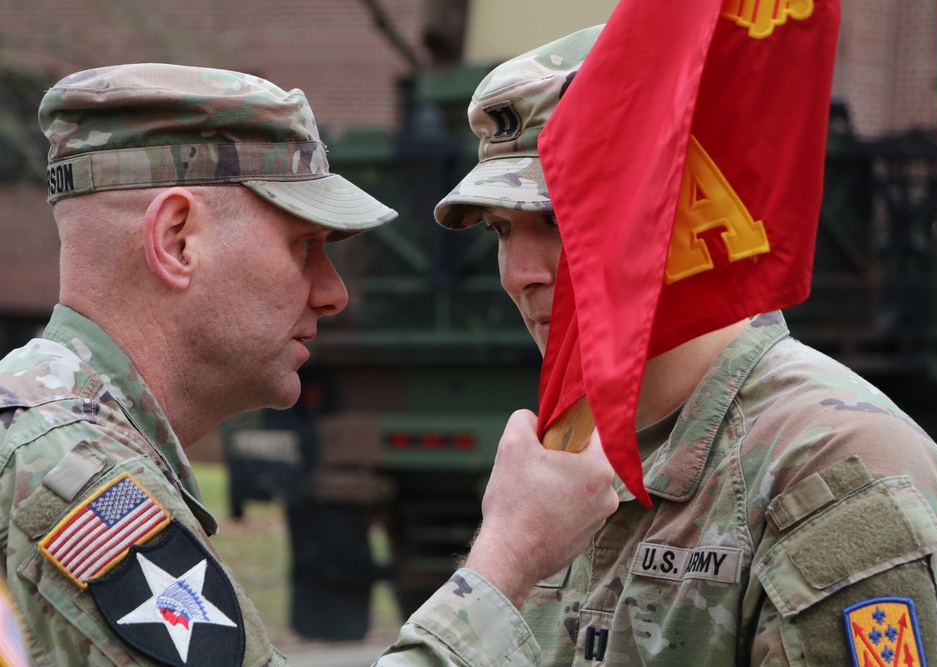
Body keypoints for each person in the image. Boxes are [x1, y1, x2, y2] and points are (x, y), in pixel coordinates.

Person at [0, 64, 618, 666]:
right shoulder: (76, 487)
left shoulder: (41, 433)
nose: (333, 292)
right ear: (177, 240)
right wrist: (506, 565)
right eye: (305, 246)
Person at [405, 24, 937, 666]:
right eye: (501, 229)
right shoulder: (564, 457)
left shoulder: (834, 473)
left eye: (562, 220)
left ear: (684, 210)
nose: (518, 272)